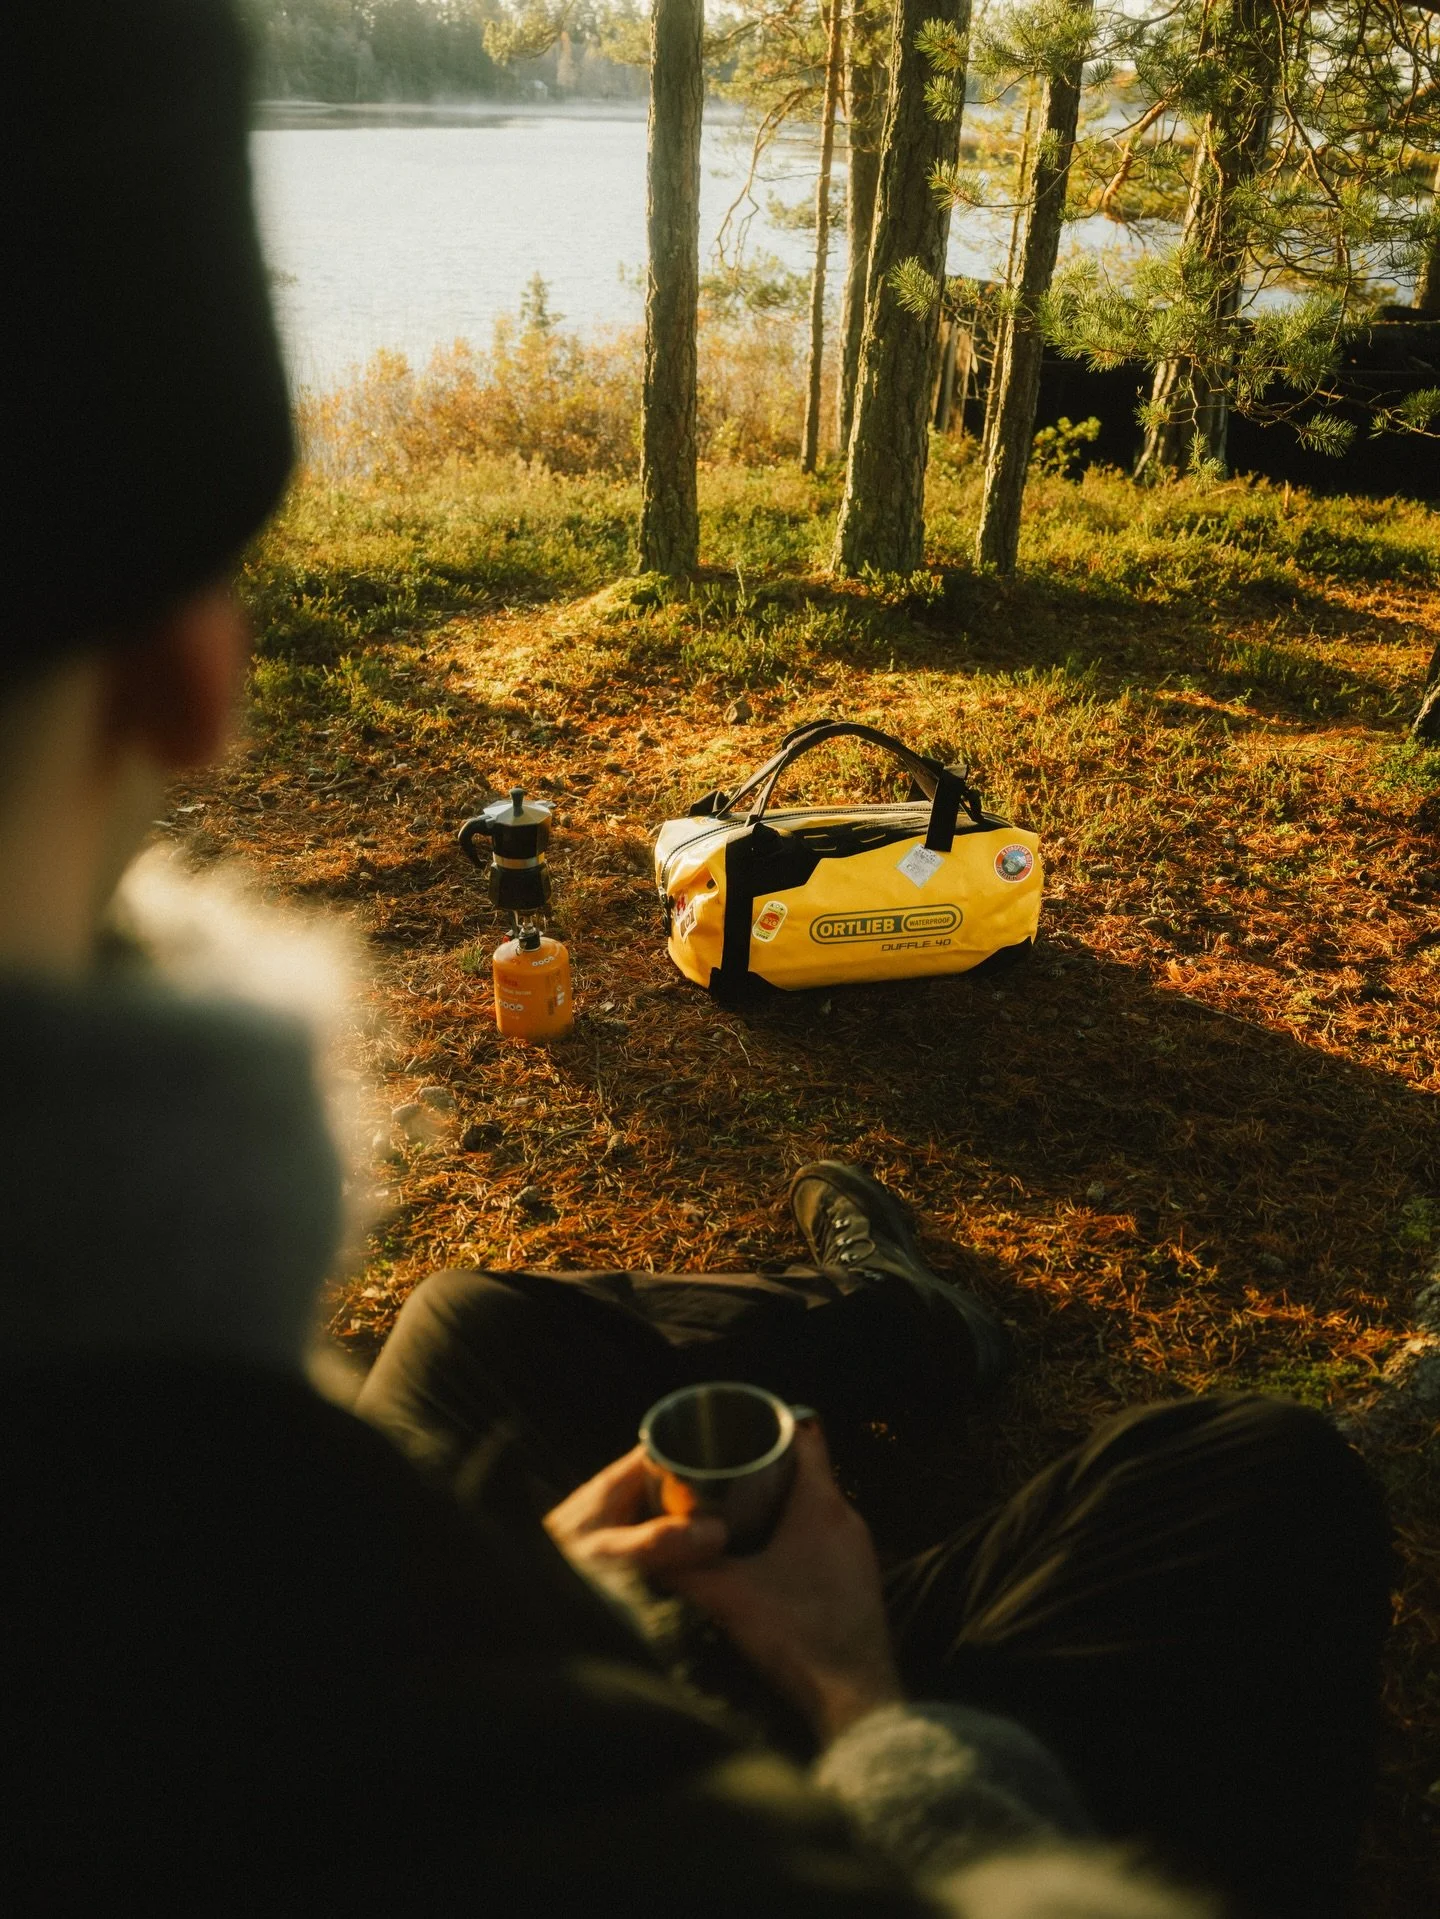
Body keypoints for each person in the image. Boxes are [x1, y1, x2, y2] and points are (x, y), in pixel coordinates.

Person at [1, 5, 1392, 1915]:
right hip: (767, 1777)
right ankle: (890, 1364)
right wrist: (850, 1696)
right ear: (188, 674)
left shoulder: (137, 1428)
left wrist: (532, 1594)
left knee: (463, 1321)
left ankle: (894, 1322)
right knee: (1262, 1482)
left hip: (463, 1656)